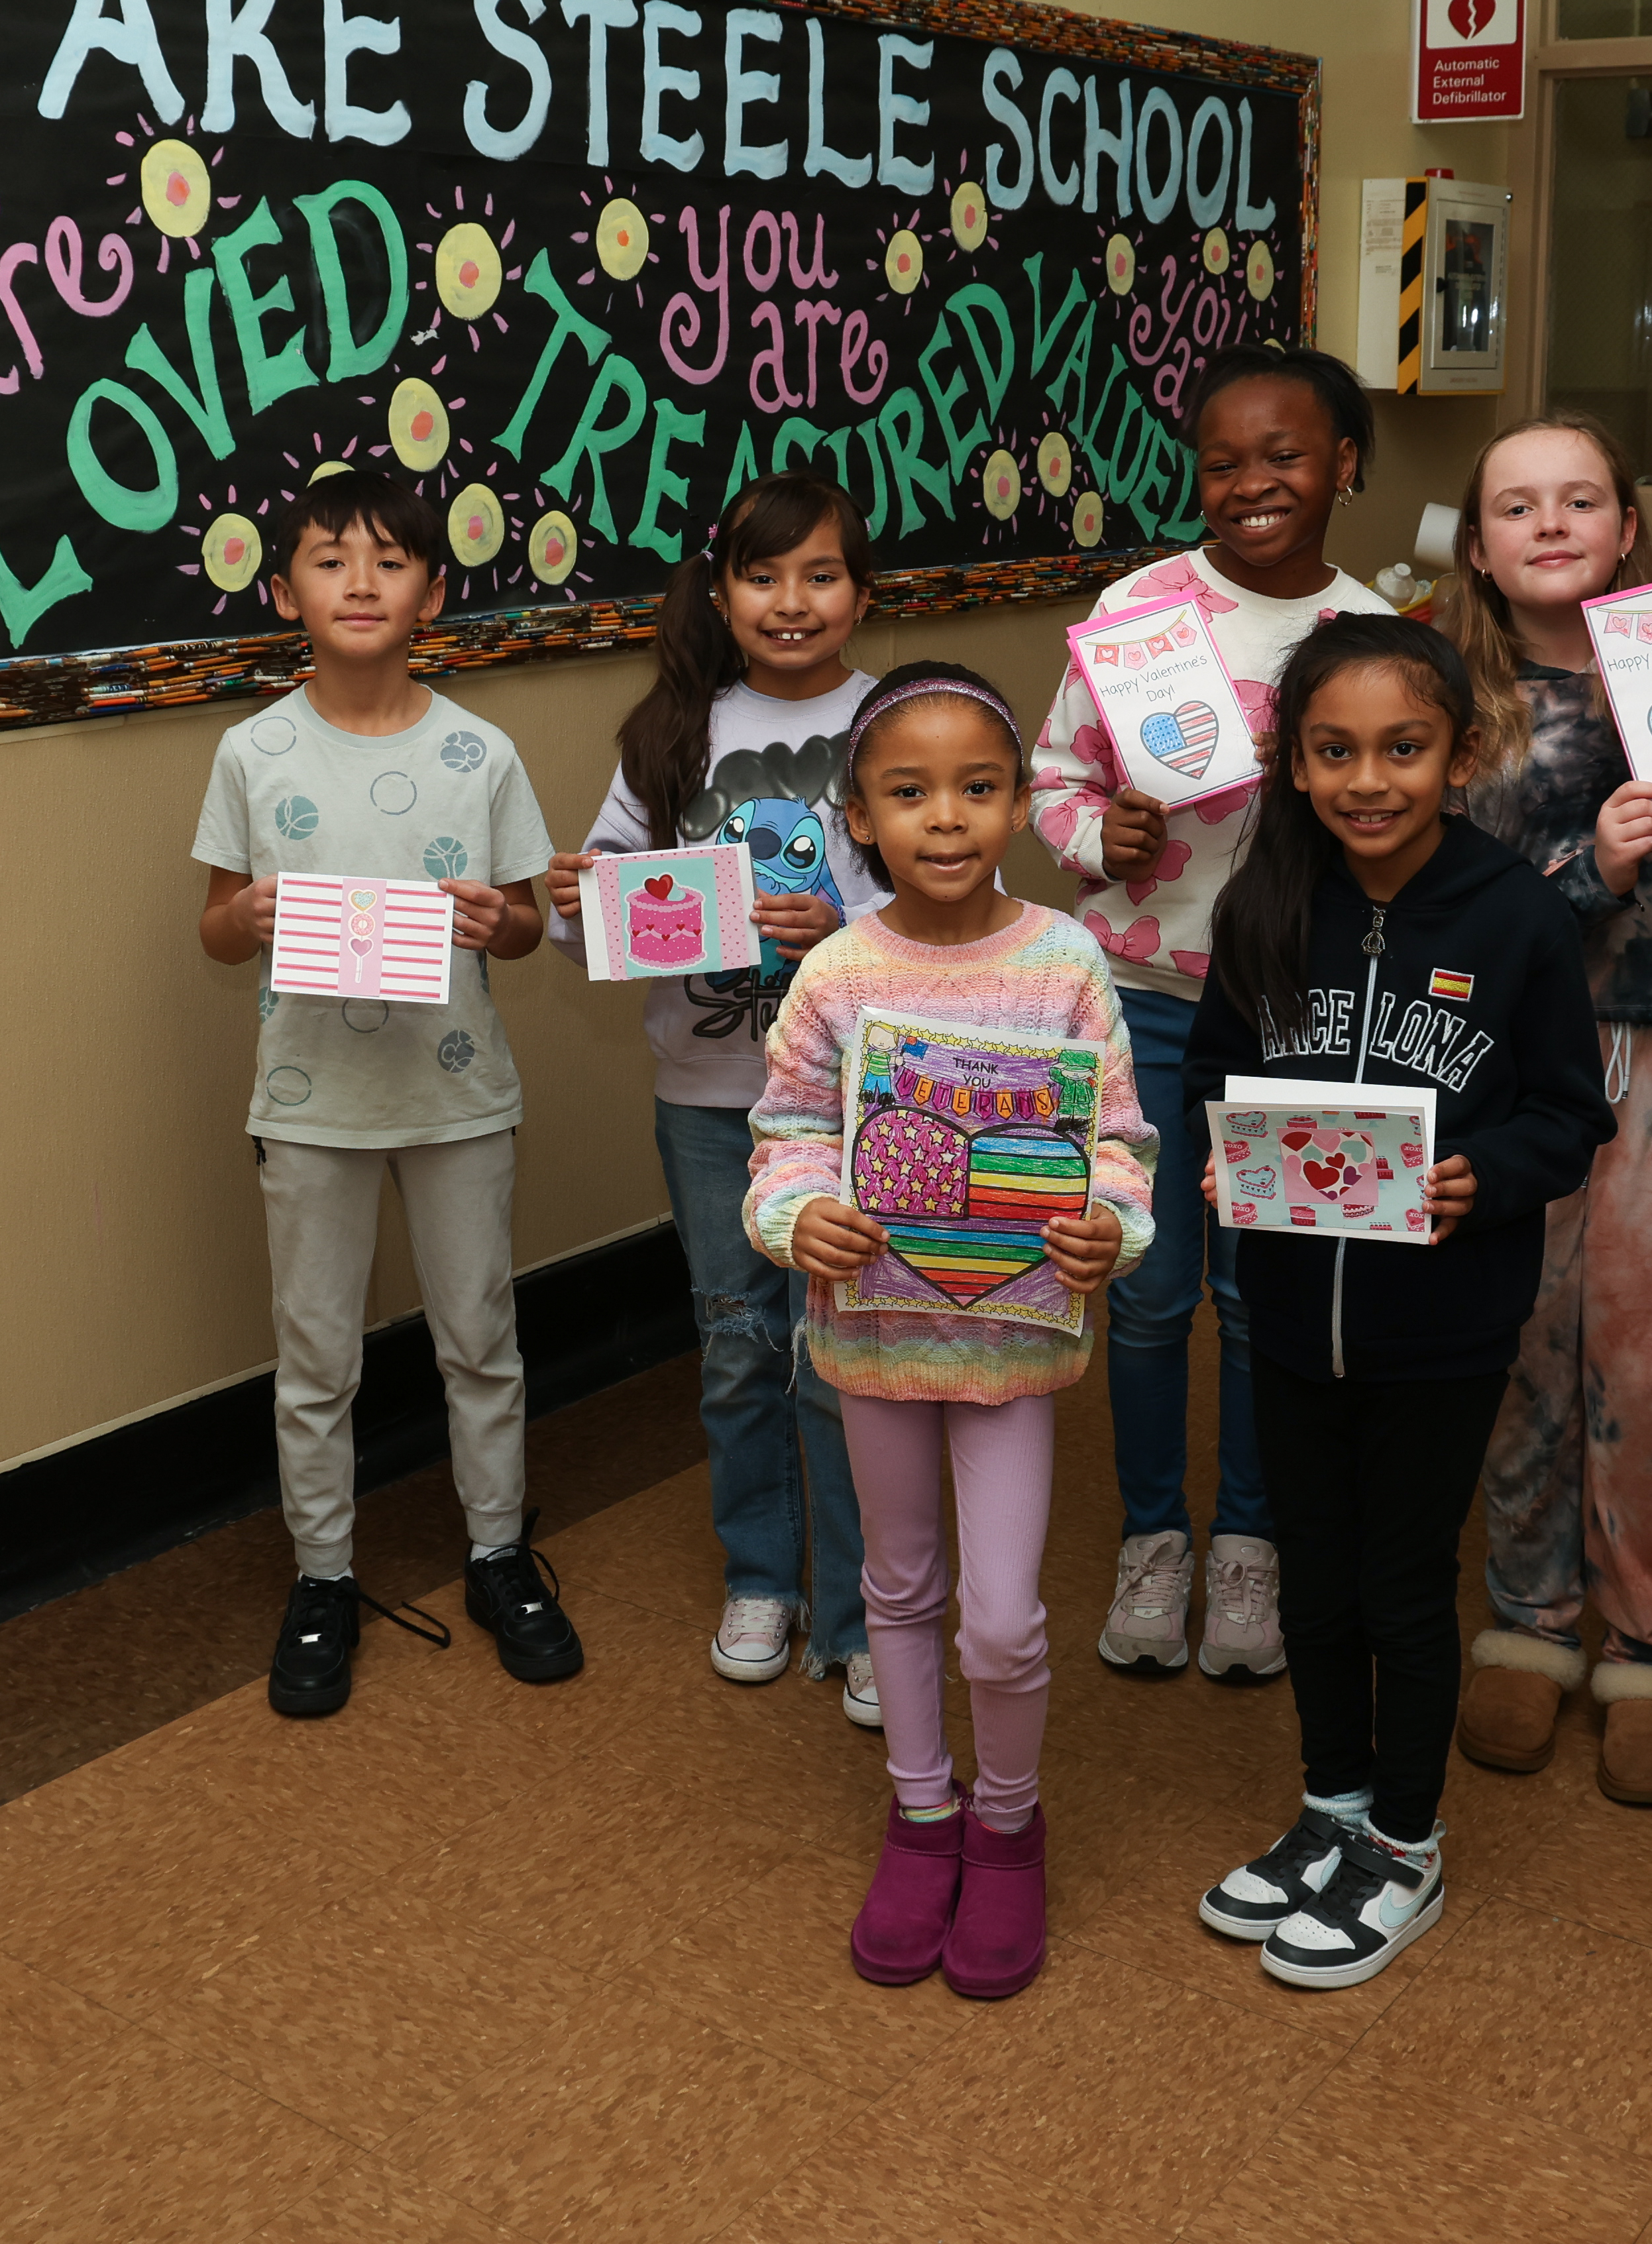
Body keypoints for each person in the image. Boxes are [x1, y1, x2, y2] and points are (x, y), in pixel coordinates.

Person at [1187, 616, 1614, 1990]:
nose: (1369, 779)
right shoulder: (1266, 900)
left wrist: (1479, 1177)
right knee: (1312, 1576)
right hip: (1283, 1312)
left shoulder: (1518, 916)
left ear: (1460, 754)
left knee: (1396, 1584)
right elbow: (1210, 1066)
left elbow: (1569, 1113)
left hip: (1442, 1324)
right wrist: (1215, 1149)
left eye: (1403, 748)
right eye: (1335, 751)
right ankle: (1334, 1807)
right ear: (1296, 765)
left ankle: (1409, 1844)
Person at [747, 662, 1154, 2000]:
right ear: (857, 817)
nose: (944, 818)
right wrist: (798, 1216)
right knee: (900, 1589)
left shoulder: (1064, 961)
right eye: (907, 792)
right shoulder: (835, 970)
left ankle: (1008, 1819)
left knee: (1003, 1619)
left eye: (978, 788)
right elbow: (788, 1138)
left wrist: (1110, 1222)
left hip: (1013, 1350)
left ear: (1025, 804)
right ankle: (920, 1812)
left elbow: (1121, 1146)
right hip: (873, 1340)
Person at [1435, 413, 1652, 1809]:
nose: (1549, 522)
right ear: (1477, 545)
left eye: (1580, 498)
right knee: (1524, 1346)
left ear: (1626, 525)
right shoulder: (1453, 697)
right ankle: (1526, 1622)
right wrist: (1581, 865)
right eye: (1515, 504)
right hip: (1509, 1064)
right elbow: (1454, 908)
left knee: (1645, 1368)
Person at [1027, 345, 1396, 1682]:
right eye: (1225, 459)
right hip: (1138, 1007)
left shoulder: (1370, 637)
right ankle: (1151, 1538)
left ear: (1345, 465)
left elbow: (1405, 821)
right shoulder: (1137, 611)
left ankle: (1250, 1546)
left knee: (1258, 1301)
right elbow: (1053, 779)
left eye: (1286, 456)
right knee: (1144, 1289)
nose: (1251, 484)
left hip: (1291, 1019)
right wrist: (1097, 833)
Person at [194, 469, 584, 1711]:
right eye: (328, 558)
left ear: (434, 591)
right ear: (284, 590)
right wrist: (245, 915)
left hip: (457, 1095)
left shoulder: (481, 751)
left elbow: (526, 928)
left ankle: (496, 1550)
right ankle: (322, 1575)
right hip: (310, 1102)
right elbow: (208, 929)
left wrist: (498, 923)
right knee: (316, 1359)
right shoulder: (251, 748)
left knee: (482, 1337)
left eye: (390, 561)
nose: (360, 581)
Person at [548, 475, 886, 1724]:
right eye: (763, 576)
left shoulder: (900, 719)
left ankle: (861, 1613)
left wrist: (842, 926)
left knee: (844, 1355)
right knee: (740, 1348)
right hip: (707, 1097)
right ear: (722, 589)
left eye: (821, 575)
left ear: (861, 590)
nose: (791, 603)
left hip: (856, 1098)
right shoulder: (669, 733)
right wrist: (580, 898)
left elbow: (961, 900)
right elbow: (599, 913)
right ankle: (763, 1577)